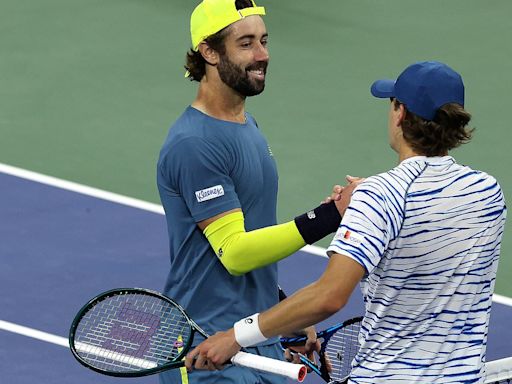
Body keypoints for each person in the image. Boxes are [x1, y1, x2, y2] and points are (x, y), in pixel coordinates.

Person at [185, 61, 508, 383]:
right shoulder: (488, 191)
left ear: (401, 114)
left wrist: (235, 337)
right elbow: (430, 221)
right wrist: (373, 207)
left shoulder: (380, 197)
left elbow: (329, 297)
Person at [156, 0, 355, 383]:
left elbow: (252, 231)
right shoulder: (194, 144)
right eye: (245, 43)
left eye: (264, 41)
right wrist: (329, 217)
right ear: (209, 52)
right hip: (208, 351)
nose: (262, 55)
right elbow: (234, 253)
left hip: (256, 338)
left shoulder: (247, 125)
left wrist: (284, 313)